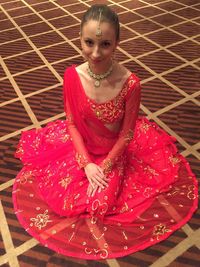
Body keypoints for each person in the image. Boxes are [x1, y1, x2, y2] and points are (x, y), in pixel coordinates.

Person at [13, 4, 198, 260]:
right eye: (89, 42)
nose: (96, 53)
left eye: (106, 44)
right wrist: (88, 164)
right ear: (79, 38)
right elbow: (72, 125)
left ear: (118, 43)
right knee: (65, 200)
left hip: (115, 151)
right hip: (84, 149)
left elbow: (127, 135)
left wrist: (107, 165)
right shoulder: (71, 77)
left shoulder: (130, 83)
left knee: (100, 205)